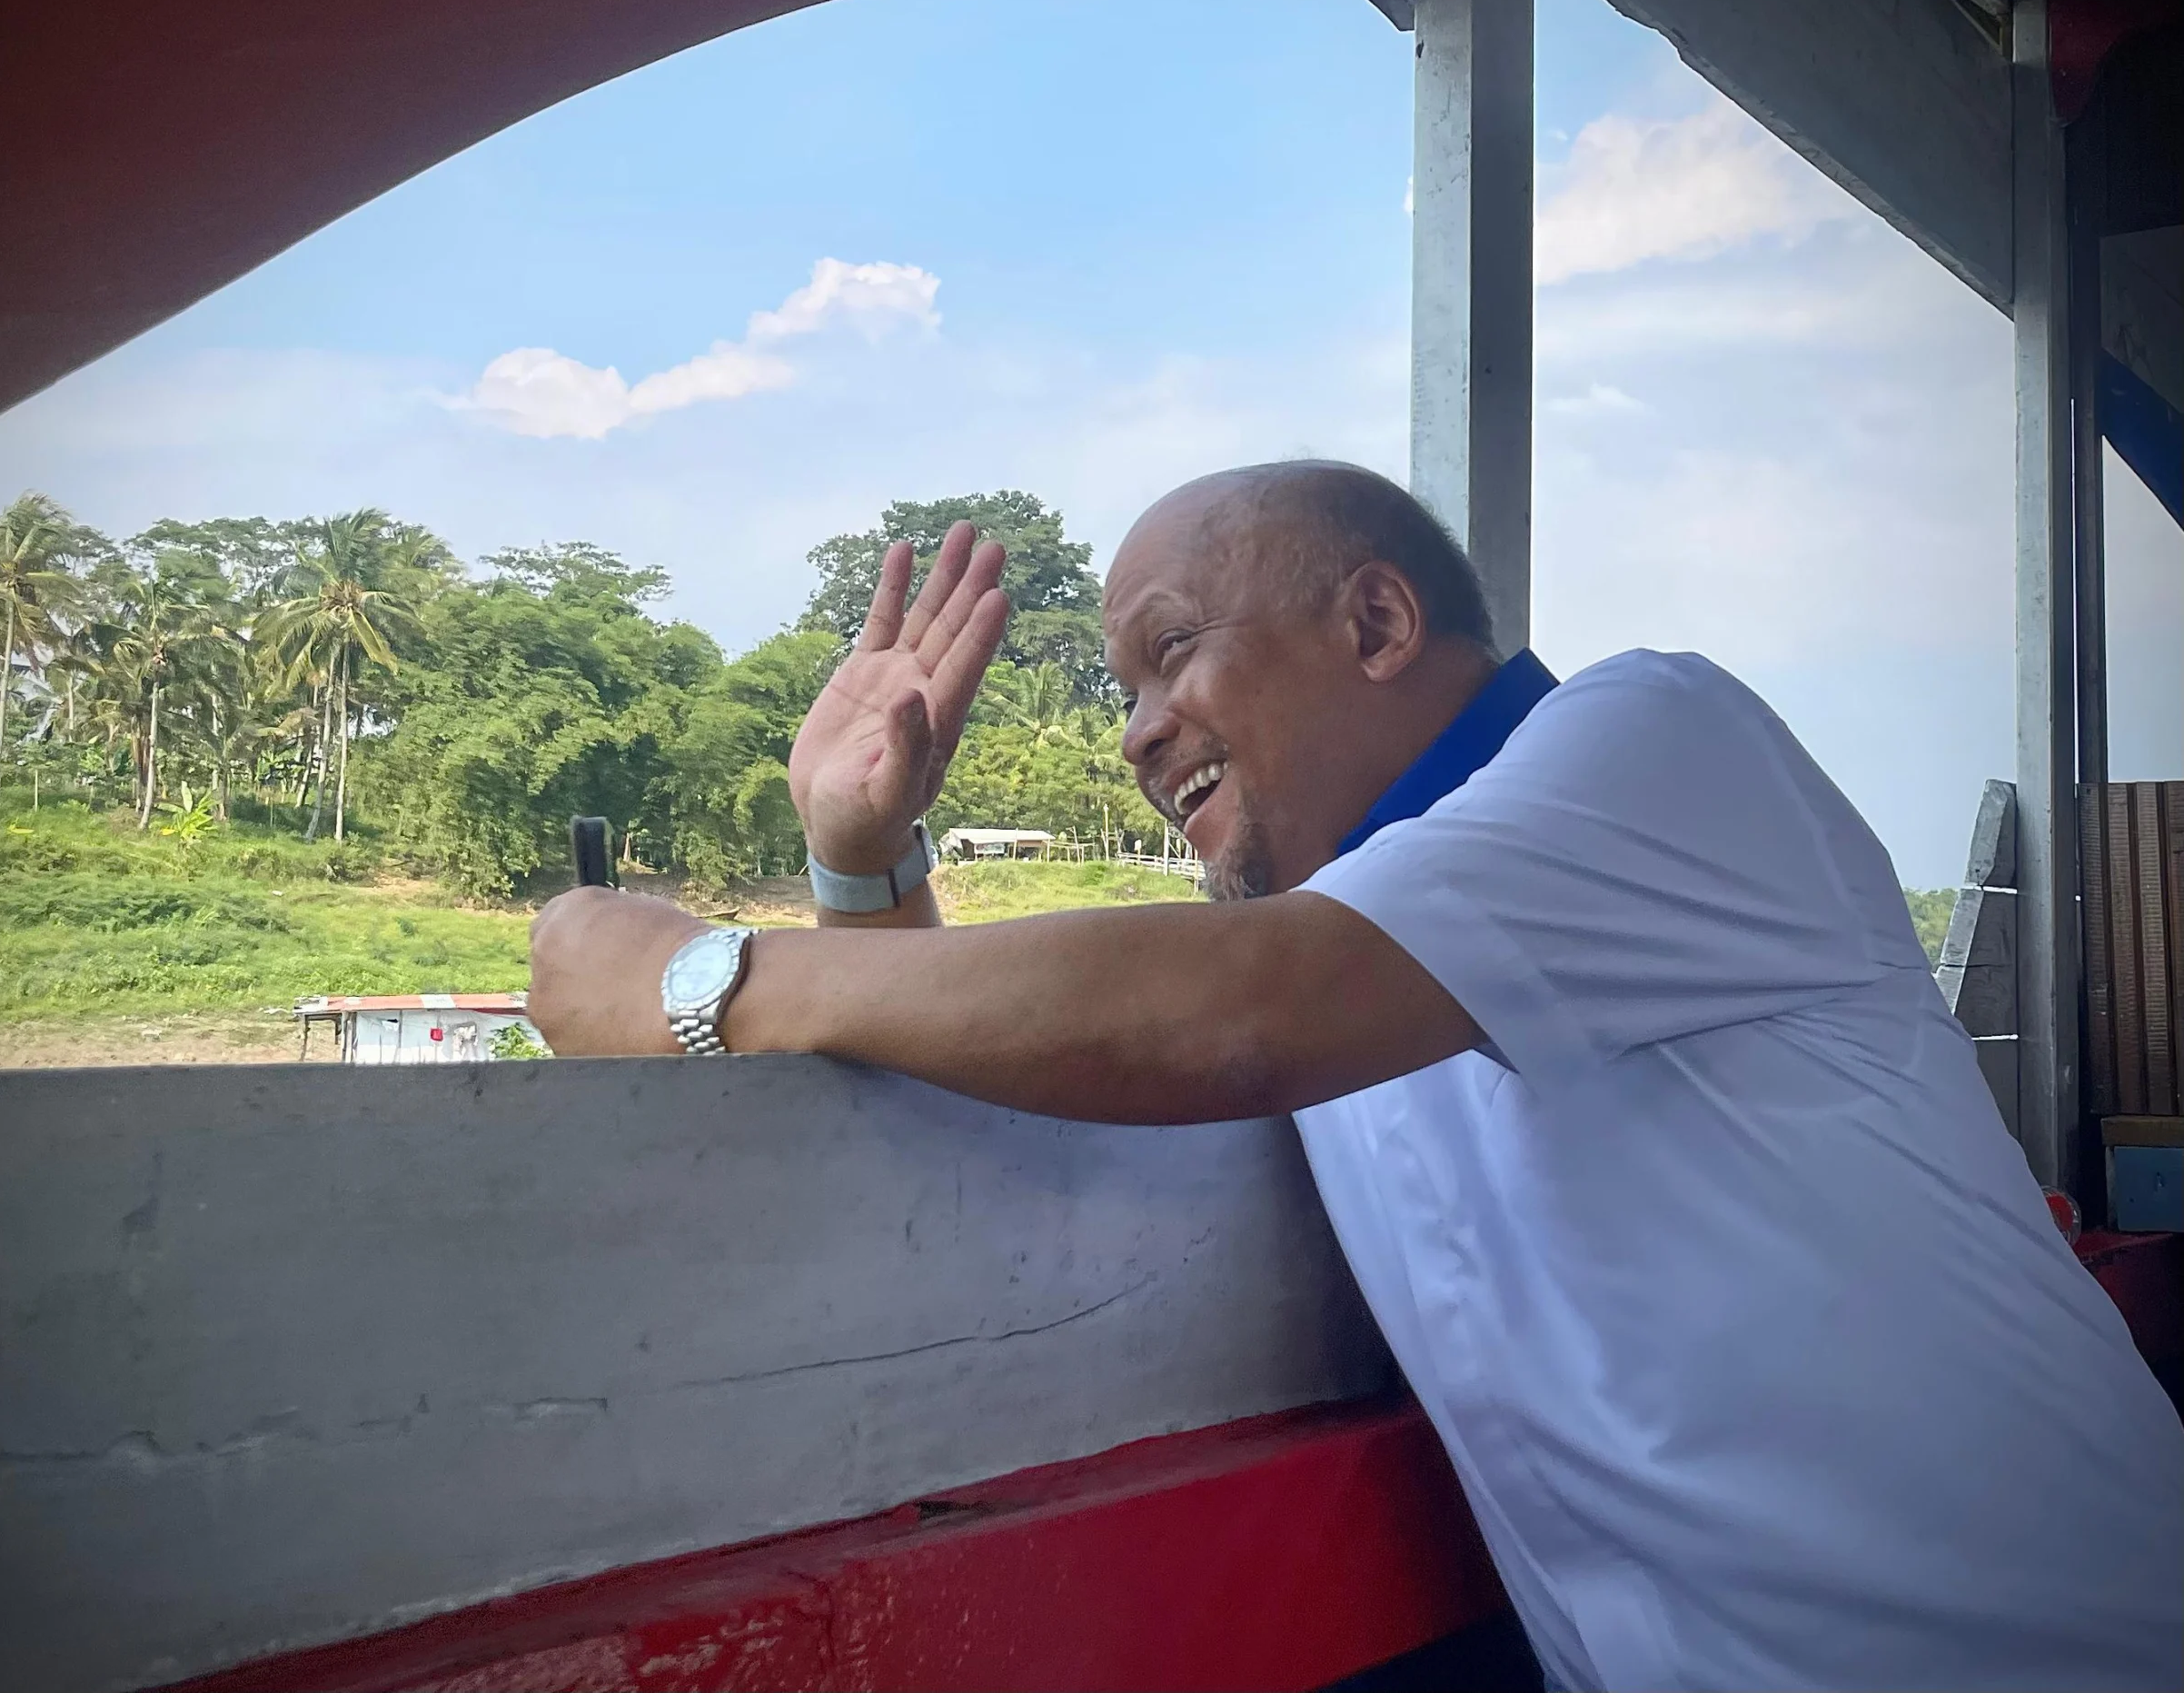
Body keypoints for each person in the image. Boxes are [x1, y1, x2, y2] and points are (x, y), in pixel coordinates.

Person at [529, 459, 2183, 1691]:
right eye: (1122, 692)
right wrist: (857, 858)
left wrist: (694, 982)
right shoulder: (1349, 953)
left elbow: (1225, 1016)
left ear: (1380, 617)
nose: (1133, 730)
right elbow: (1054, 1054)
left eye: (1169, 654)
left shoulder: (1651, 745)